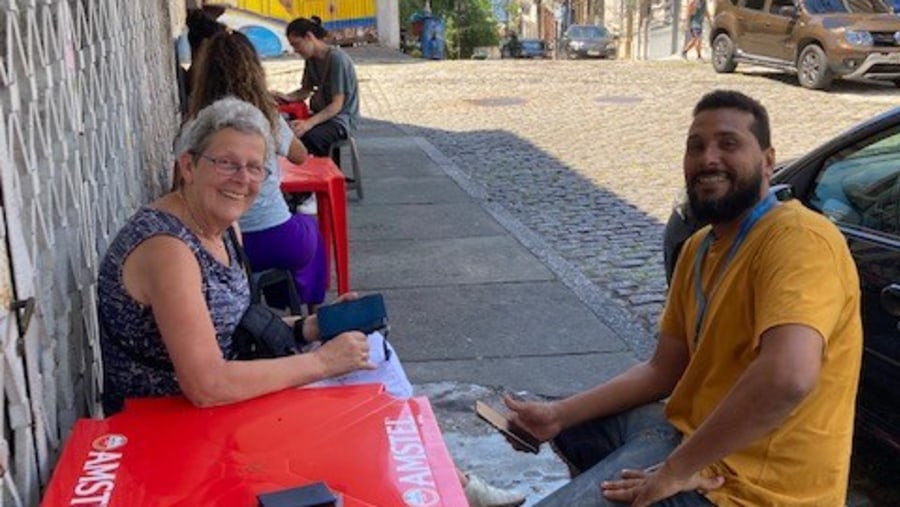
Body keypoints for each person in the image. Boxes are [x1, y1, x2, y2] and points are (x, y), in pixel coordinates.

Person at [506, 90, 862, 506]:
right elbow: (663, 370)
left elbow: (788, 376)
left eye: (728, 144)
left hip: (754, 489)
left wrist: (676, 470)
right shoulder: (697, 248)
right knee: (575, 425)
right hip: (691, 435)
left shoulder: (798, 239)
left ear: (768, 162)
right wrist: (559, 414)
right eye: (696, 147)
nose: (708, 158)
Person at [98, 97, 374, 415]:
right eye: (226, 163)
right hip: (158, 431)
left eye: (255, 167)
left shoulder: (224, 228)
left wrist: (308, 327)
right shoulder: (167, 248)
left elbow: (228, 330)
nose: (242, 179)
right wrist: (322, 362)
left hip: (215, 415)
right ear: (188, 166)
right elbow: (207, 384)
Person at [186, 30, 327, 311]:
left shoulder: (194, 126)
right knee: (311, 229)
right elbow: (299, 156)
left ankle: (274, 299)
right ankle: (307, 312)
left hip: (218, 246)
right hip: (275, 237)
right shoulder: (264, 118)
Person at [275, 17, 359, 159]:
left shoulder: (336, 59)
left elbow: (336, 105)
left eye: (297, 44)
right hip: (321, 115)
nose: (296, 50)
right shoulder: (311, 59)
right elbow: (305, 90)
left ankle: (323, 173)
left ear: (309, 37)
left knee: (309, 138)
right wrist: (285, 97)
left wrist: (308, 124)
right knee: (286, 130)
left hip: (340, 120)